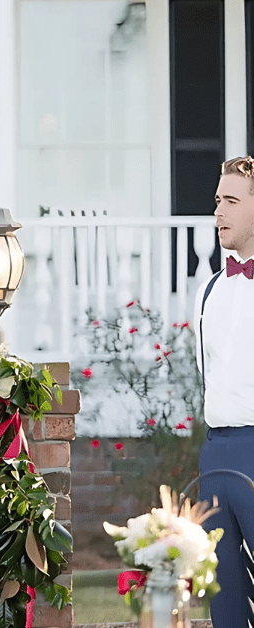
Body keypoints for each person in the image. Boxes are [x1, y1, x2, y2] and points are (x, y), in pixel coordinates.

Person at [194, 155, 254, 628]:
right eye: (217, 201)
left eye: (232, 201)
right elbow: (206, 373)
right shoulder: (209, 290)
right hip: (216, 452)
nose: (219, 212)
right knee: (222, 590)